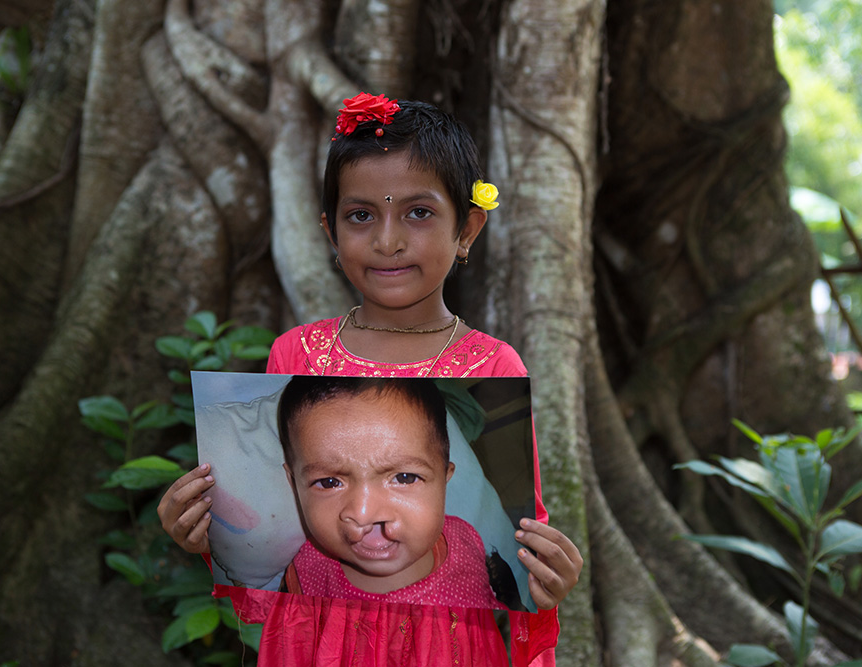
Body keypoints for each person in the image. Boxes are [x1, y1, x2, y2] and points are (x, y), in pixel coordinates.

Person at [158, 92, 583, 665]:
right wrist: (211, 540)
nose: (388, 240)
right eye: (362, 216)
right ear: (331, 233)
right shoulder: (296, 353)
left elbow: (516, 550)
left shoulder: (492, 367)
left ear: (468, 229)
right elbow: (276, 542)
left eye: (418, 212)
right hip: (315, 645)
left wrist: (546, 580)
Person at [276, 376, 503, 609]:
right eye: (329, 482)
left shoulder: (462, 536)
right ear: (294, 483)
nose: (364, 514)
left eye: (405, 478)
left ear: (445, 477)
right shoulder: (307, 573)